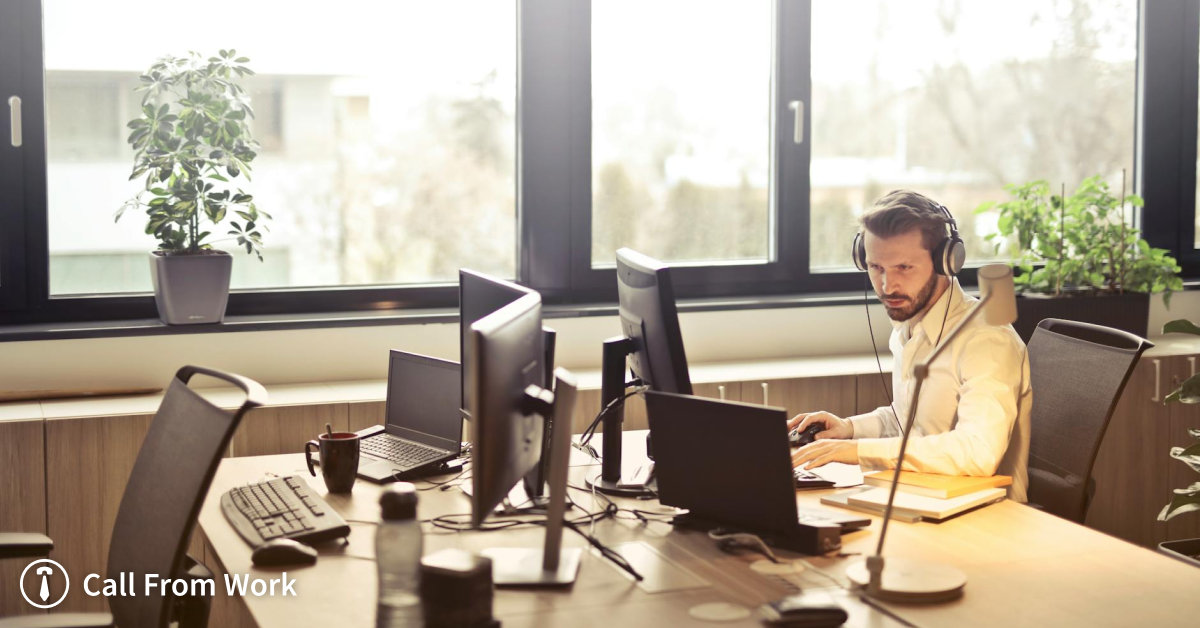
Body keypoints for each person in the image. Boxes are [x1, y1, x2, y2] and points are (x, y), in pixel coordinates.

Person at [790, 190, 1032, 501]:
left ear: (946, 261)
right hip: (920, 496)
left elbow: (978, 452)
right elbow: (910, 423)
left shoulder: (987, 340)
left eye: (904, 268)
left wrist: (857, 450)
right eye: (876, 268)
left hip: (985, 516)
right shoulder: (908, 327)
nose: (888, 287)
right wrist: (849, 429)